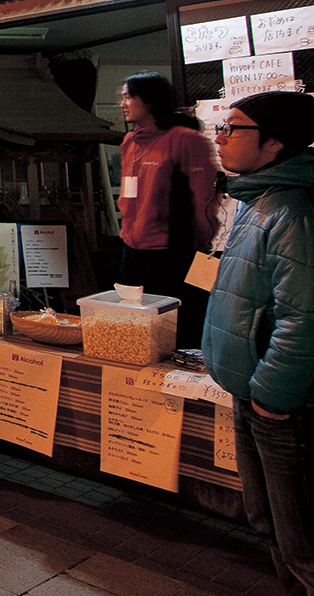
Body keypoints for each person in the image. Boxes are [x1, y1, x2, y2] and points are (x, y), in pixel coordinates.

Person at [202, 90, 314, 595]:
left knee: (302, 540)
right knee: (267, 523)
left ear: (273, 144)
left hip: (279, 404)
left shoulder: (293, 212)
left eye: (234, 128)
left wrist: (271, 397)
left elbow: (303, 319)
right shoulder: (256, 200)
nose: (220, 136)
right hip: (250, 391)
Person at [117, 72, 220, 348]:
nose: (122, 103)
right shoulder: (130, 141)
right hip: (132, 249)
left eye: (128, 96)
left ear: (150, 100)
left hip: (171, 252)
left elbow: (206, 199)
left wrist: (195, 244)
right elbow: (128, 196)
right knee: (136, 327)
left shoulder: (185, 140)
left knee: (176, 331)